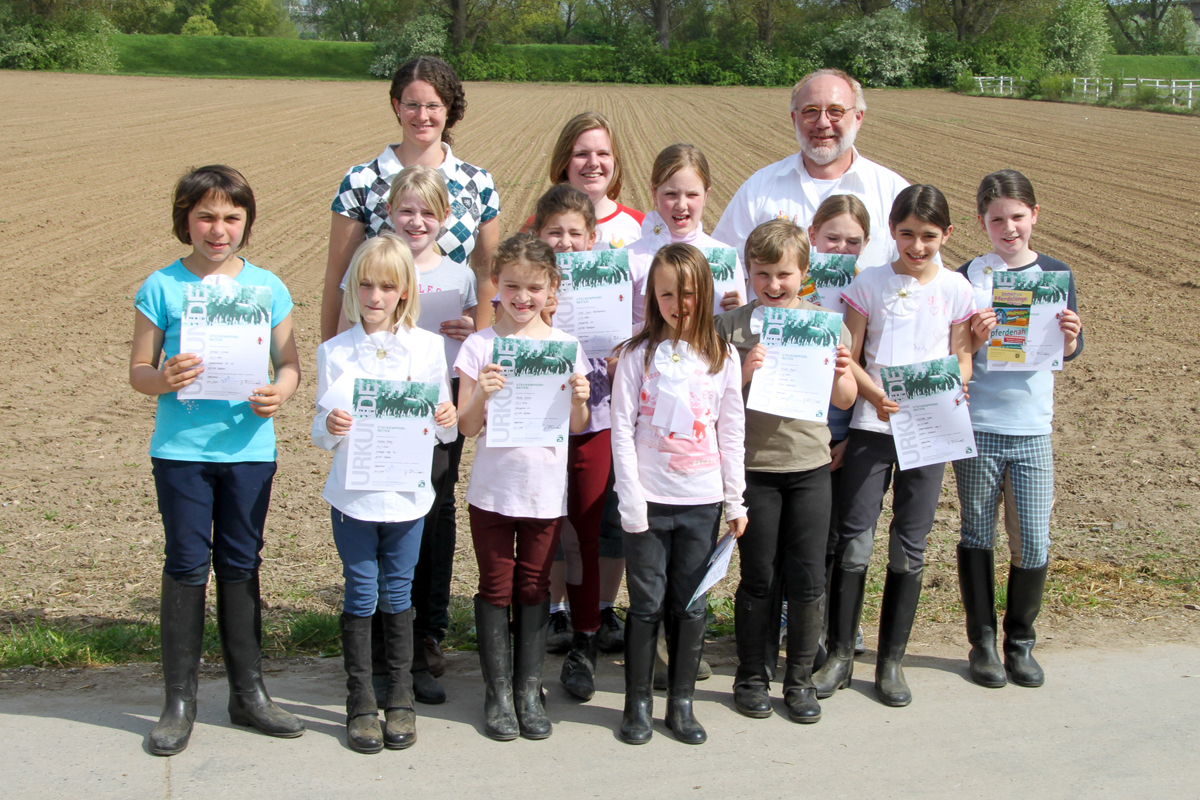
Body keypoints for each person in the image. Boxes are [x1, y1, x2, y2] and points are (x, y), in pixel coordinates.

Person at [131, 165, 305, 756]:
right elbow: (138, 372)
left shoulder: (268, 288)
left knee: (240, 561)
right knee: (185, 564)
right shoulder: (161, 286)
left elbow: (289, 365)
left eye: (232, 217)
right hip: (181, 453)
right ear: (185, 219)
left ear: (247, 223)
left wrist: (280, 392)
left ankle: (248, 694)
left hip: (249, 450)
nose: (218, 228)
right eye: (205, 215)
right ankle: (178, 702)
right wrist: (163, 377)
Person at [814, 185, 975, 708]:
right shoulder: (870, 282)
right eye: (906, 234)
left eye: (929, 236)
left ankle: (891, 662)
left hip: (929, 433)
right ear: (892, 230)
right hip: (871, 427)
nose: (917, 246)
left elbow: (962, 359)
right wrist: (873, 394)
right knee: (855, 538)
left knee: (910, 542)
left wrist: (958, 382)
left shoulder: (957, 290)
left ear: (946, 235)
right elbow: (850, 353)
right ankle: (840, 653)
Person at [312, 234, 458, 753]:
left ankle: (399, 697)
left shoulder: (426, 348)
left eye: (387, 286)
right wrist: (330, 423)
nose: (375, 295)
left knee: (398, 592)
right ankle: (359, 700)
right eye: (366, 284)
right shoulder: (334, 352)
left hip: (407, 498)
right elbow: (319, 431)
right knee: (359, 589)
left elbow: (444, 427)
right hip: (354, 498)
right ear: (353, 287)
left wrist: (448, 417)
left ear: (404, 291)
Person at [715, 220, 856, 724]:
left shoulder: (826, 324)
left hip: (809, 467)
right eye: (762, 274)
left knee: (807, 578)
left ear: (804, 273)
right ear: (748, 272)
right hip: (755, 469)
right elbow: (713, 401)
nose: (774, 285)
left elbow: (843, 401)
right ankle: (751, 675)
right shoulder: (729, 327)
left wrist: (841, 372)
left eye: (784, 274)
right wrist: (744, 370)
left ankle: (798, 681)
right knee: (757, 578)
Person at [454, 234, 592, 741]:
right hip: (492, 490)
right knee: (496, 586)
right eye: (511, 285)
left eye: (534, 287)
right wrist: (481, 397)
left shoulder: (566, 348)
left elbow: (577, 425)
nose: (521, 297)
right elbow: (467, 429)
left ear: (552, 287)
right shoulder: (479, 346)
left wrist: (580, 397)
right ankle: (497, 694)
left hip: (543, 491)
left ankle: (527, 689)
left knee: (534, 586)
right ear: (496, 284)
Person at [610, 243, 747, 745]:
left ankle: (681, 702)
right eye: (666, 293)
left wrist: (735, 501)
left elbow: (731, 432)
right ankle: (638, 702)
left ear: (704, 292)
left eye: (687, 292)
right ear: (652, 297)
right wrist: (631, 501)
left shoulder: (723, 357)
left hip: (701, 502)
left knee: (689, 605)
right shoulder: (635, 356)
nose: (677, 303)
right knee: (646, 604)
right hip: (647, 502)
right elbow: (622, 431)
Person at [952, 170, 1083, 689]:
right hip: (979, 425)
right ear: (982, 223)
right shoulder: (969, 276)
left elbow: (1068, 352)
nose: (1009, 228)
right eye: (997, 219)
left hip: (1032, 428)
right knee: (976, 533)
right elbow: (956, 351)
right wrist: (975, 337)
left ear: (1035, 216)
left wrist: (1071, 337)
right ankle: (982, 643)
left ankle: (1020, 642)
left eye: (1018, 217)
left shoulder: (1057, 274)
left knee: (1032, 538)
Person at [322, 55, 500, 342]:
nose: (422, 115)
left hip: (450, 351)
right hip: (378, 352)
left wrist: (479, 338)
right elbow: (338, 279)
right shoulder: (361, 181)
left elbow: (485, 274)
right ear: (397, 106)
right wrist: (329, 355)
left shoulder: (478, 183)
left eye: (433, 106)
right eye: (412, 105)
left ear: (448, 108)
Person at [385, 166, 478, 705]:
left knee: (437, 514)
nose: (416, 221)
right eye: (406, 210)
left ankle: (430, 632)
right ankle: (387, 632)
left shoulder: (460, 275)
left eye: (427, 212)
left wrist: (469, 331)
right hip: (389, 414)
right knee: (392, 514)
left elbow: (475, 343)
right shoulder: (375, 264)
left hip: (442, 413)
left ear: (445, 219)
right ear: (391, 213)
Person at [529, 185, 612, 700]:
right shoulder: (524, 288)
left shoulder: (611, 280)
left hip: (593, 423)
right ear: (538, 234)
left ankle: (585, 642)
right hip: (534, 429)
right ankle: (531, 647)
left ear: (592, 236)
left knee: (584, 534)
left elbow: (633, 335)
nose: (564, 242)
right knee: (537, 533)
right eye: (553, 232)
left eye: (574, 233)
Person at [712, 68, 913, 271]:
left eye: (836, 111)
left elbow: (926, 279)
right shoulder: (757, 189)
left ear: (858, 117)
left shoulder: (894, 193)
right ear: (794, 118)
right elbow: (724, 271)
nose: (823, 122)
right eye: (811, 112)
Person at [807, 195, 874, 663]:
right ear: (812, 235)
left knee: (835, 534)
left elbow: (865, 360)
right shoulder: (790, 285)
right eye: (832, 238)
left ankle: (836, 627)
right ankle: (800, 621)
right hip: (794, 430)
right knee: (804, 534)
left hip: (843, 425)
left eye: (853, 242)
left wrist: (850, 432)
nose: (841, 249)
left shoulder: (866, 290)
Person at [628, 144, 746, 327]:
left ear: (706, 196)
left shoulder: (726, 258)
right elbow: (615, 338)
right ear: (654, 193)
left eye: (692, 194)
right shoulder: (630, 257)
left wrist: (738, 314)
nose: (681, 205)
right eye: (671, 194)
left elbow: (737, 335)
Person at [521, 111, 645, 250]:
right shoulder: (536, 225)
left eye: (603, 154)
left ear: (615, 160)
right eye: (581, 154)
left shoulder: (643, 226)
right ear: (564, 162)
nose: (593, 163)